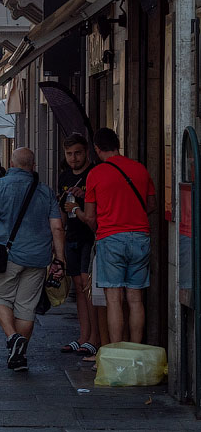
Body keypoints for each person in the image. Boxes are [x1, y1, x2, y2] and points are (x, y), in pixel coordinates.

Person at [0, 147, 66, 371]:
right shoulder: (45, 191)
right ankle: (19, 356)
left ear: (11, 163)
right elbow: (57, 226)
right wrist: (59, 259)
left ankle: (12, 338)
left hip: (7, 255)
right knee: (26, 307)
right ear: (33, 166)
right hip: (38, 257)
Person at [80, 127, 156, 345]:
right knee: (135, 298)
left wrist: (77, 213)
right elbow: (151, 204)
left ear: (96, 148)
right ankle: (135, 350)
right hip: (140, 237)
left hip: (111, 238)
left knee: (113, 300)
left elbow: (90, 215)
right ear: (117, 144)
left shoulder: (96, 173)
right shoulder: (140, 169)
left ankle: (116, 352)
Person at [57, 133, 98, 359]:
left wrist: (84, 196)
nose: (74, 158)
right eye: (69, 154)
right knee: (78, 287)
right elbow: (62, 209)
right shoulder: (64, 176)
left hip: (89, 235)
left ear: (87, 153)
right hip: (71, 234)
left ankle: (94, 338)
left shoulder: (94, 174)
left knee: (87, 286)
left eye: (78, 153)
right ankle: (83, 336)